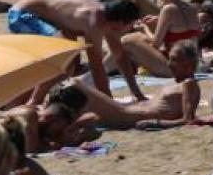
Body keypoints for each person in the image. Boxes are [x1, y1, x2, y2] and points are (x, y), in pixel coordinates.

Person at [7, 0, 145, 100]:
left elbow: (120, 56)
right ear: (121, 23)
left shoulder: (109, 19)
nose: (134, 28)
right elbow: (96, 66)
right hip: (22, 14)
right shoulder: (95, 20)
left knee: (70, 64)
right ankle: (34, 102)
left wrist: (137, 93)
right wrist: (109, 102)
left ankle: (32, 98)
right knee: (66, 64)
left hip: (49, 16)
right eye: (132, 25)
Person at [73, 42, 205, 129]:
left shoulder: (189, 84)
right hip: (125, 111)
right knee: (82, 117)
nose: (169, 64)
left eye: (175, 60)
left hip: (125, 115)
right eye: (170, 59)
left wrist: (157, 123)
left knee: (76, 84)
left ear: (190, 65)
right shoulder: (177, 83)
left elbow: (188, 120)